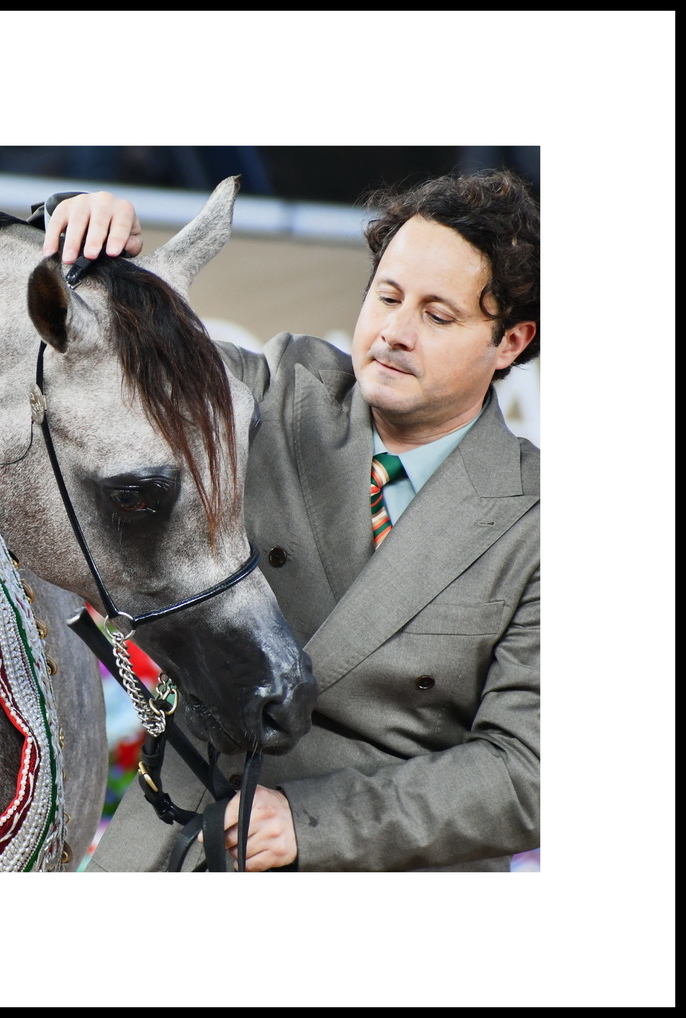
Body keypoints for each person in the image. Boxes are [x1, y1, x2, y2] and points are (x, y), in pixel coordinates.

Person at [36, 168, 539, 871]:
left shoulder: (539, 517)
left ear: (511, 342)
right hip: (178, 844)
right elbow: (114, 366)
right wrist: (83, 241)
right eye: (386, 296)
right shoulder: (277, 387)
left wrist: (312, 824)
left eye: (437, 315)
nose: (394, 332)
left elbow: (527, 771)